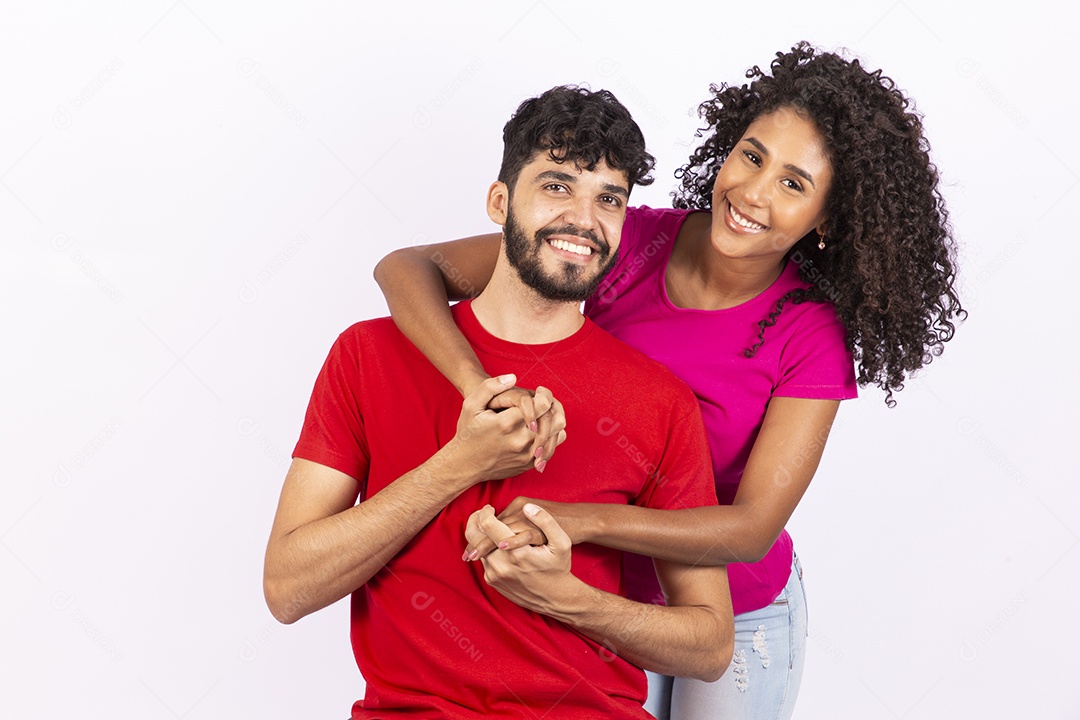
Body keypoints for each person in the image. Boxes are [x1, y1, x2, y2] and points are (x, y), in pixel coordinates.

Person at [373, 42, 965, 720]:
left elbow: (747, 532)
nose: (752, 193)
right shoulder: (621, 240)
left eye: (793, 184)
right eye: (752, 156)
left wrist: (584, 520)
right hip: (601, 598)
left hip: (737, 621)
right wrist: (473, 381)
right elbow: (409, 267)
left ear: (826, 222)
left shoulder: (809, 337)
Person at [264, 85, 734, 719]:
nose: (584, 221)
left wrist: (564, 597)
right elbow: (287, 587)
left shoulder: (658, 401)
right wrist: (461, 463)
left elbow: (709, 644)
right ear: (499, 201)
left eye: (610, 200)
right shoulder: (368, 355)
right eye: (558, 186)